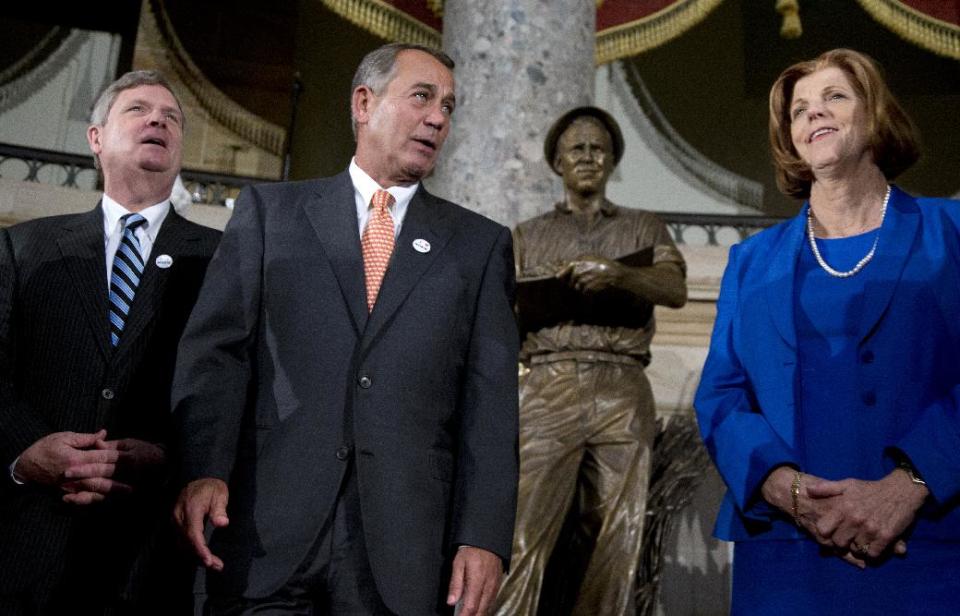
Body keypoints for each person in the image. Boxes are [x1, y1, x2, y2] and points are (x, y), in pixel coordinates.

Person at [171, 42, 519, 616]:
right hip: (264, 533)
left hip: (402, 551)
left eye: (449, 107)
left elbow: (491, 404)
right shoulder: (270, 213)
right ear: (364, 102)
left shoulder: (478, 246)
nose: (438, 118)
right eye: (422, 97)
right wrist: (204, 468)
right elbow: (217, 355)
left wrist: (483, 535)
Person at [695, 48, 960, 615]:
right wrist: (789, 493)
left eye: (834, 97)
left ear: (875, 114)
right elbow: (720, 397)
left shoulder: (951, 233)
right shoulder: (751, 261)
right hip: (788, 555)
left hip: (932, 545)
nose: (813, 114)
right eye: (798, 110)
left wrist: (910, 484)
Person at [0, 70, 221, 614]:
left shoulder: (223, 259)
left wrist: (173, 457)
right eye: (139, 109)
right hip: (27, 549)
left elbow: (232, 386)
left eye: (171, 117)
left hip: (151, 558)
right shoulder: (24, 248)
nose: (158, 120)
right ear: (95, 138)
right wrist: (27, 454)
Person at [495, 107, 687, 616]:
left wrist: (617, 277)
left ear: (611, 161)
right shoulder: (526, 235)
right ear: (558, 161)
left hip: (620, 384)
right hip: (545, 382)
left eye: (598, 148)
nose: (587, 156)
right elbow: (501, 322)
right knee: (523, 531)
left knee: (614, 537)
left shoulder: (644, 228)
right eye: (576, 148)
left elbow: (674, 288)